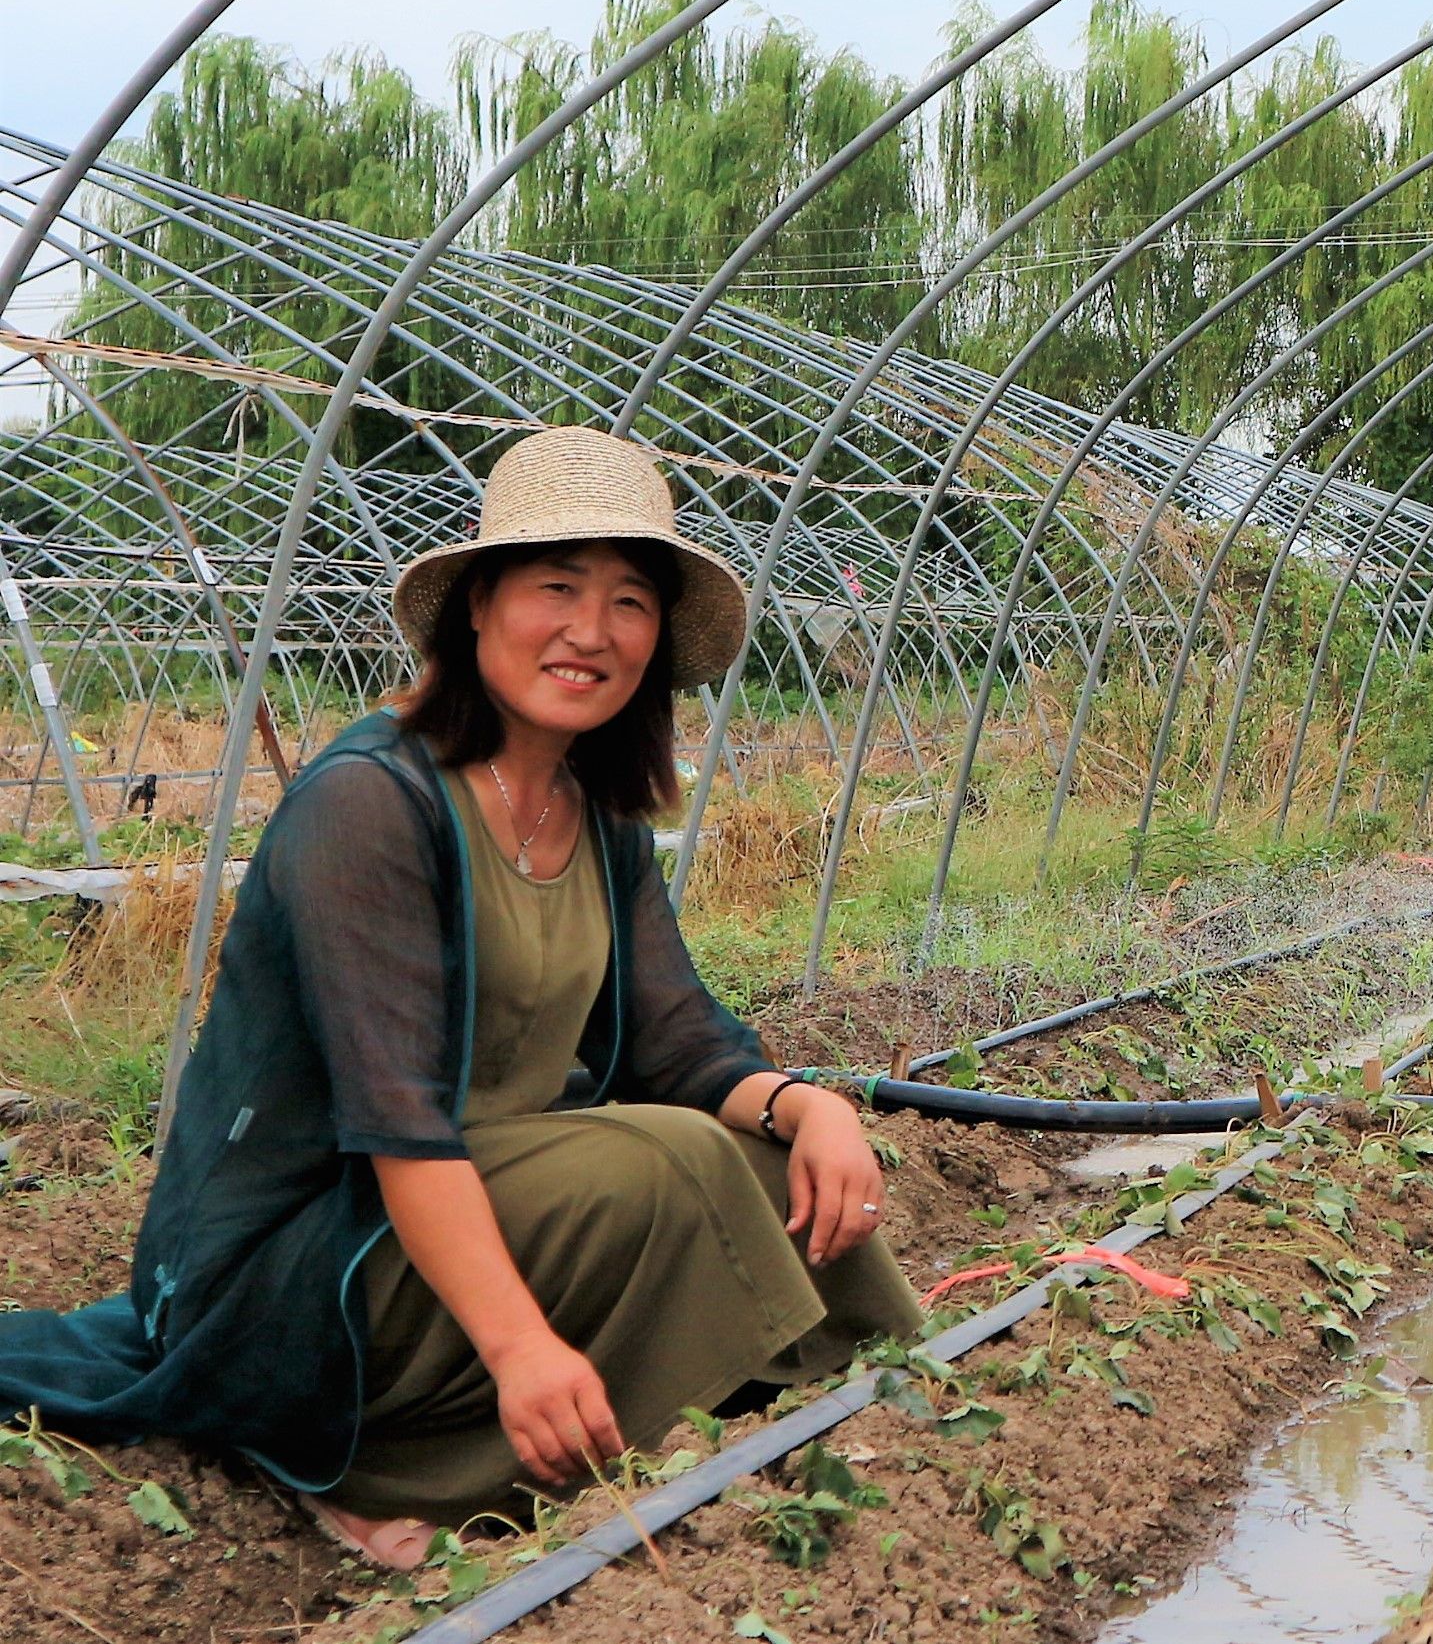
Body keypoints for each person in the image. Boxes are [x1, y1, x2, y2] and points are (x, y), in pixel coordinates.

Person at [0, 427, 922, 1568]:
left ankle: (868, 1390)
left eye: (629, 600)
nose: (592, 631)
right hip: (307, 1266)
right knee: (665, 1160)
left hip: (479, 1193)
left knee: (771, 1158)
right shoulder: (370, 803)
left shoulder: (594, 815)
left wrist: (809, 1106)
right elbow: (399, 1125)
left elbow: (681, 1041)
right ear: (477, 605)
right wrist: (523, 1347)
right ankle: (371, 1459)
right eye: (556, 587)